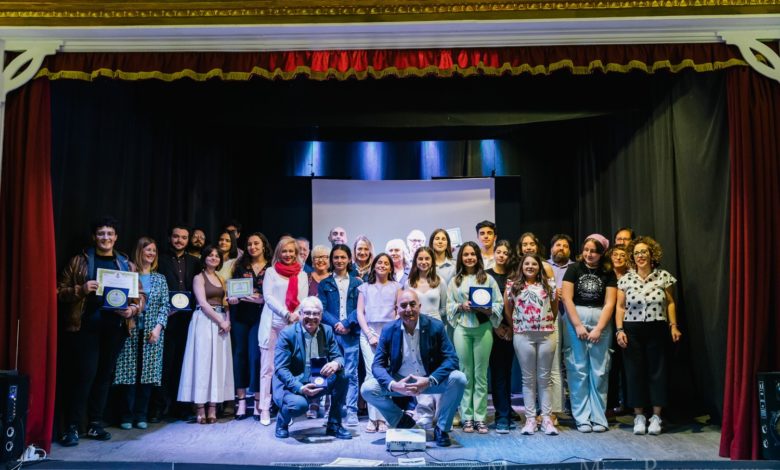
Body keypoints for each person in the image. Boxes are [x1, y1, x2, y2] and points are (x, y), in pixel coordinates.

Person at [57, 216, 145, 446]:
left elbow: (140, 295)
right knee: (83, 377)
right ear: (94, 237)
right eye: (101, 233)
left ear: (116, 237)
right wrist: (81, 289)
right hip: (86, 328)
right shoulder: (80, 261)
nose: (105, 237)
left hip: (115, 329)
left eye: (109, 233)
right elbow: (58, 291)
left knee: (104, 377)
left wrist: (133, 309)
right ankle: (72, 427)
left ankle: (95, 424)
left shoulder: (125, 264)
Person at [361, 289, 466, 447]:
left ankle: (442, 428)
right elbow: (377, 365)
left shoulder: (436, 326)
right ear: (397, 309)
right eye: (403, 306)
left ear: (419, 306)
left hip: (428, 381)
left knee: (459, 378)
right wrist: (393, 385)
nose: (408, 309)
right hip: (400, 383)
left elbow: (452, 359)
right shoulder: (389, 329)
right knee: (367, 389)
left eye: (412, 304)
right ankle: (402, 420)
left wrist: (429, 380)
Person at [616, 237, 682, 435]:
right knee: (634, 372)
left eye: (644, 252)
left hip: (657, 327)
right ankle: (639, 416)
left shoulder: (663, 276)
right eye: (636, 253)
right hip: (632, 329)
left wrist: (673, 326)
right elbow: (620, 307)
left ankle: (656, 416)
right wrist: (619, 330)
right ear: (632, 257)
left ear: (652, 255)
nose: (640, 256)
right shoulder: (625, 279)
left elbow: (670, 303)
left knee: (657, 371)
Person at [272, 296, 352, 440]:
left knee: (343, 376)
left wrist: (335, 363)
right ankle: (282, 422)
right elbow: (280, 369)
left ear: (321, 316)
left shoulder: (327, 331)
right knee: (299, 405)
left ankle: (334, 424)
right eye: (307, 313)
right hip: (291, 384)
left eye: (316, 314)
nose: (311, 317)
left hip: (317, 379)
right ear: (300, 314)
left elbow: (339, 357)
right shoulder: (287, 334)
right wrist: (300, 388)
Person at [561, 235, 617, 433]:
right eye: (586, 250)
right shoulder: (573, 269)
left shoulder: (608, 272)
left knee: (599, 371)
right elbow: (567, 298)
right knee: (578, 369)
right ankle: (582, 417)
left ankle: (598, 417)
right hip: (575, 320)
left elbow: (610, 302)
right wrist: (577, 325)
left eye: (593, 251)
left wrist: (599, 328)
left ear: (602, 253)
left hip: (600, 321)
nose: (589, 254)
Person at [446, 241, 503, 434]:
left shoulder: (488, 279)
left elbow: (499, 303)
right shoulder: (455, 281)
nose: (469, 257)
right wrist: (461, 306)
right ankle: (467, 417)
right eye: (466, 254)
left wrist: (487, 309)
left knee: (481, 374)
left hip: (483, 329)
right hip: (462, 329)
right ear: (461, 257)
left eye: (472, 254)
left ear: (478, 257)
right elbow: (449, 305)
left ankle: (480, 417)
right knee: (465, 374)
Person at [114, 237, 169, 431]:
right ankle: (126, 415)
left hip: (152, 333)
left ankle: (141, 415)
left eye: (154, 250)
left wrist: (158, 328)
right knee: (128, 375)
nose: (151, 253)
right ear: (139, 251)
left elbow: (165, 306)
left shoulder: (160, 279)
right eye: (148, 250)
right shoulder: (129, 275)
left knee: (147, 377)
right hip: (129, 331)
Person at [177, 245, 234, 424]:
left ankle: (213, 407)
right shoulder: (198, 278)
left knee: (218, 363)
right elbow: (202, 303)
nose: (214, 258)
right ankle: (200, 407)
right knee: (202, 363)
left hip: (221, 321)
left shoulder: (221, 278)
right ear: (204, 258)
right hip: (204, 320)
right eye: (210, 255)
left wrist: (227, 321)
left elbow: (226, 303)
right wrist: (220, 321)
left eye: (217, 256)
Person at [506, 254, 560, 436]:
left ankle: (546, 419)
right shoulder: (512, 285)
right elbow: (508, 309)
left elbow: (554, 308)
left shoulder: (549, 285)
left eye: (534, 264)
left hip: (546, 335)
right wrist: (517, 326)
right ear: (521, 266)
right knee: (528, 379)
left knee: (545, 379)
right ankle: (530, 419)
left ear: (539, 267)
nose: (530, 266)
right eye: (527, 263)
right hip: (523, 335)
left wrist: (544, 323)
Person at [257, 236, 308, 425]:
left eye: (291, 251)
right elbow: (268, 297)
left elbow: (303, 299)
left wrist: (294, 315)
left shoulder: (302, 274)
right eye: (284, 251)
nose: (288, 254)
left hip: (292, 325)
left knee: (289, 369)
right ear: (279, 252)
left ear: (296, 253)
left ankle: (286, 408)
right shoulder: (271, 272)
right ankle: (264, 408)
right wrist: (286, 313)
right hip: (272, 323)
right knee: (267, 368)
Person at [154, 223, 201, 422]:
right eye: (176, 236)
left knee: (184, 364)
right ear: (169, 238)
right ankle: (159, 407)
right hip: (167, 319)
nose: (179, 240)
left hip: (189, 320)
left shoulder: (195, 262)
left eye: (183, 237)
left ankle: (181, 407)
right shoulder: (160, 259)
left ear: (188, 240)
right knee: (164, 365)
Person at [356, 253, 401, 433]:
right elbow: (360, 313)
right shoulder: (364, 287)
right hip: (369, 333)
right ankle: (372, 418)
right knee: (370, 373)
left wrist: (388, 334)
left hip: (389, 333)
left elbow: (399, 311)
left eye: (386, 263)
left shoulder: (397, 287)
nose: (382, 265)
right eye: (379, 262)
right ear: (374, 266)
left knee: (385, 374)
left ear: (390, 268)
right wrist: (369, 335)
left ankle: (383, 418)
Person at [227, 232, 271, 421]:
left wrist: (262, 298)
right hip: (240, 316)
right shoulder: (240, 266)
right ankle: (242, 401)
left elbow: (272, 293)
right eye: (250, 244)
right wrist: (233, 297)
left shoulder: (271, 267)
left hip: (261, 317)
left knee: (256, 356)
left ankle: (259, 400)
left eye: (256, 243)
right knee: (239, 356)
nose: (253, 247)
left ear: (264, 245)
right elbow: (233, 290)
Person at [318, 244, 363, 427]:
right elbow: (322, 309)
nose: (339, 260)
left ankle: (351, 411)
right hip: (331, 334)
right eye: (336, 257)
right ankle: (331, 410)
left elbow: (360, 308)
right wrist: (337, 324)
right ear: (332, 260)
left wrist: (346, 323)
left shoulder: (358, 283)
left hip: (351, 333)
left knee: (351, 373)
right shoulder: (325, 284)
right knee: (331, 372)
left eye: (343, 257)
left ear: (349, 259)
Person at [404, 246, 447, 429]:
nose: (424, 262)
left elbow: (444, 308)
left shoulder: (440, 281)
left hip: (436, 329)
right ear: (416, 261)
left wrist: (433, 322)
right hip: (415, 330)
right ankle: (424, 413)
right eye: (420, 259)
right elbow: (405, 307)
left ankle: (440, 415)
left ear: (432, 261)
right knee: (419, 370)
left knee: (437, 371)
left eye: (427, 259)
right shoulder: (409, 282)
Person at [486, 240, 516, 433]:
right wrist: (496, 326)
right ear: (494, 253)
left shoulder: (515, 275)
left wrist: (512, 328)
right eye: (499, 252)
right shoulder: (486, 275)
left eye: (505, 252)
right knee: (497, 373)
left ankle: (507, 410)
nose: (502, 255)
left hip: (513, 330)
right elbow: (484, 304)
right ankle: (502, 416)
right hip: (493, 330)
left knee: (507, 372)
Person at [547, 234, 575, 421]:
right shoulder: (543, 266)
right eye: (558, 245)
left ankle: (574, 406)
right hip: (551, 318)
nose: (561, 248)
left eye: (565, 246)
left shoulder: (576, 268)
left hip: (572, 317)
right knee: (553, 363)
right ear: (551, 248)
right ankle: (554, 409)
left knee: (572, 361)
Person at [605, 243, 630, 415]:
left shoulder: (632, 276)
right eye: (615, 255)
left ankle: (629, 403)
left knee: (627, 365)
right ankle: (610, 404)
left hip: (627, 323)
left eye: (623, 255)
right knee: (611, 366)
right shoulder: (605, 274)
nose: (619, 258)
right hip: (607, 323)